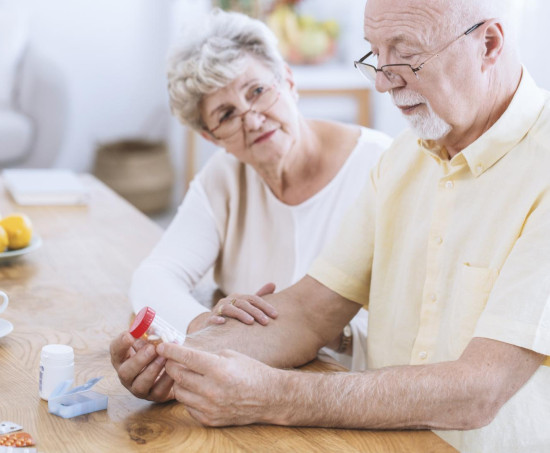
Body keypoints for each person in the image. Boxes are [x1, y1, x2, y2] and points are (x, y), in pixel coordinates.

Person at [111, 0, 550, 451]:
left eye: (405, 54)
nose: (382, 81)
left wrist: (272, 395)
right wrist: (173, 358)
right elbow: (306, 313)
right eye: (375, 55)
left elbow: (479, 391)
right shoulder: (401, 161)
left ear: (489, 43)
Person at [127, 8, 391, 370]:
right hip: (247, 387)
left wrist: (330, 331)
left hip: (350, 390)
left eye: (257, 91)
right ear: (211, 136)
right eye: (225, 114)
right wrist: (204, 326)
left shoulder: (381, 166)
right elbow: (154, 276)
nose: (251, 119)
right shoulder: (223, 178)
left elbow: (412, 322)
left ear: (288, 81)